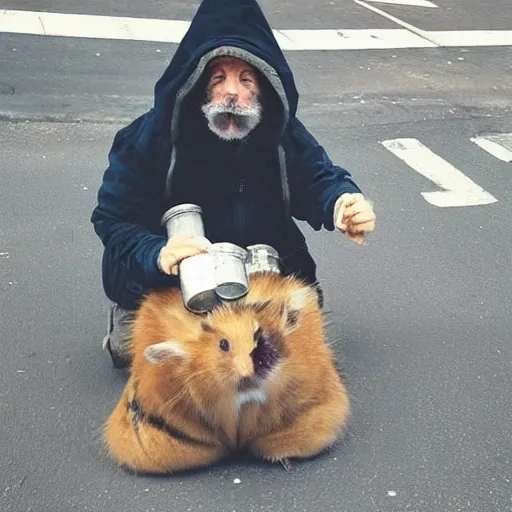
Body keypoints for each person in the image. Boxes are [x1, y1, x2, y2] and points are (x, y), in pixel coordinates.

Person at [91, 0, 376, 369]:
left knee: (287, 351)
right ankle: (140, 314)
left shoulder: (280, 133)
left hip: (261, 271)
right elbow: (113, 219)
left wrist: (342, 202)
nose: (231, 92)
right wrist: (157, 253)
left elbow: (318, 179)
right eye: (218, 77)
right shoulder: (149, 138)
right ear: (196, 85)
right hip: (173, 280)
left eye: (245, 79)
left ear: (264, 87)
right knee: (138, 351)